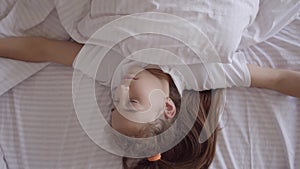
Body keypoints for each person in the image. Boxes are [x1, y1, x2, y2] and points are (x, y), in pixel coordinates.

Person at [0, 37, 299, 169]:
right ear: (168, 107)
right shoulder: (203, 71)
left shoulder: (112, 67)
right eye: (132, 101)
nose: (119, 89)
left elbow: (43, 48)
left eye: (114, 104)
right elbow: (277, 79)